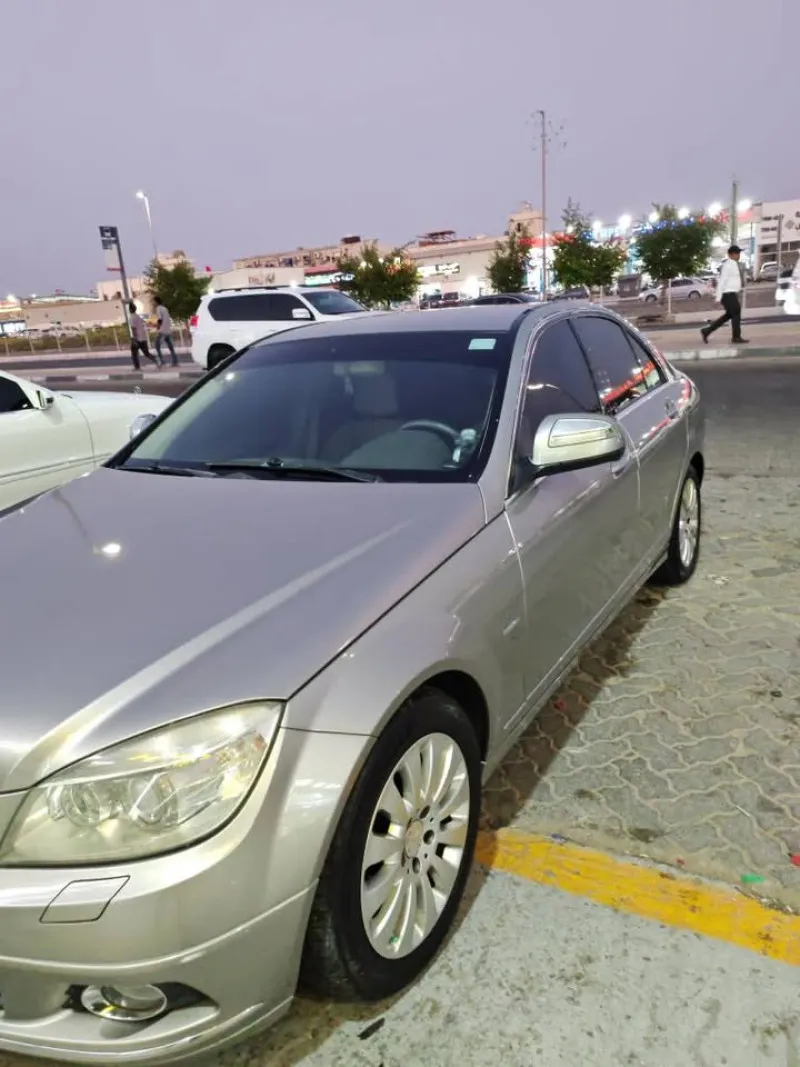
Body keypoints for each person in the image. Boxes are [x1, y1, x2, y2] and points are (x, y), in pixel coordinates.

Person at [701, 245, 749, 345]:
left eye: (738, 253)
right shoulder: (728, 265)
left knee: (729, 315)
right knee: (736, 313)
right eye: (737, 253)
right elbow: (722, 281)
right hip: (727, 294)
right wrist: (718, 298)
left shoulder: (734, 264)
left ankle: (707, 331)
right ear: (731, 254)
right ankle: (736, 337)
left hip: (731, 294)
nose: (738, 255)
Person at [128, 302, 161, 370]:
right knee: (146, 353)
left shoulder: (131, 317)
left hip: (137, 339)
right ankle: (157, 360)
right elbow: (146, 324)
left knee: (134, 354)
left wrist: (134, 339)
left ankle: (137, 367)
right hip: (143, 338)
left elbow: (133, 328)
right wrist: (155, 326)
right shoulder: (138, 317)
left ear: (130, 310)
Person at [154, 297, 178, 366]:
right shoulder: (165, 308)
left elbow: (160, 319)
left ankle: (162, 361)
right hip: (168, 330)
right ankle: (175, 361)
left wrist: (158, 327)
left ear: (156, 302)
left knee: (157, 345)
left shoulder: (158, 308)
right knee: (171, 347)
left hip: (163, 331)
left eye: (154, 302)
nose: (153, 303)